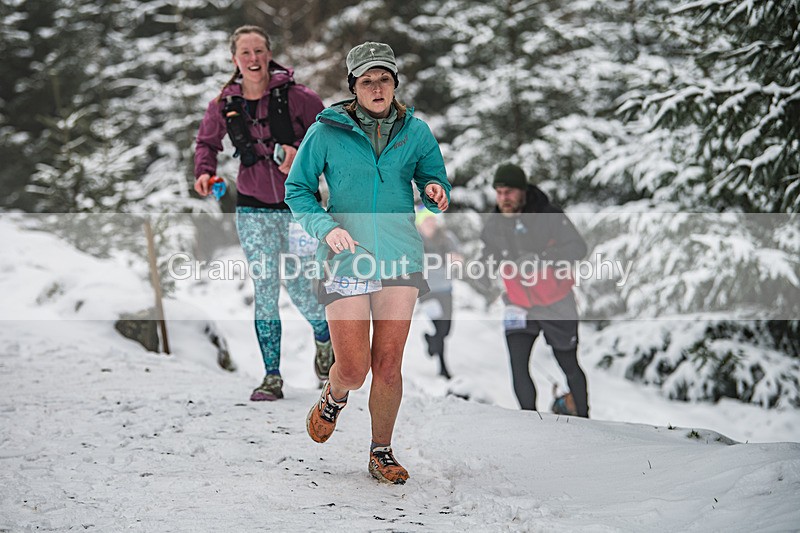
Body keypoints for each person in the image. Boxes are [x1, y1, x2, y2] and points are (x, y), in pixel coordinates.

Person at [285, 41, 450, 484]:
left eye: (383, 79)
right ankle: (334, 395)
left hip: (400, 256)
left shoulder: (415, 131)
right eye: (366, 81)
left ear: (394, 83)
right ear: (353, 88)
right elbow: (297, 190)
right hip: (346, 258)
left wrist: (435, 194)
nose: (376, 87)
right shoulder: (325, 131)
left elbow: (434, 180)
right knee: (355, 368)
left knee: (390, 362)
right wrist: (325, 229)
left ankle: (381, 452)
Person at [194, 25, 333, 402]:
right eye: (245, 53)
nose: (253, 59)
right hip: (253, 207)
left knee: (303, 287)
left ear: (268, 54)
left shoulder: (299, 97)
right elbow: (206, 142)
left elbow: (331, 139)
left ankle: (325, 340)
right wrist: (204, 173)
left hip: (298, 205)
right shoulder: (225, 103)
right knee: (266, 290)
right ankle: (271, 376)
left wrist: (299, 153)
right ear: (234, 59)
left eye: (259, 51)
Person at [480, 163, 590, 417]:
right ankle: (529, 422)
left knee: (569, 364)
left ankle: (585, 419)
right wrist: (484, 267)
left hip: (556, 302)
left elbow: (578, 248)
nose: (503, 198)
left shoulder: (549, 215)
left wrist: (544, 258)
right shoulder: (494, 225)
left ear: (523, 191)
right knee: (518, 366)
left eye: (509, 192)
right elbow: (489, 252)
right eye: (498, 192)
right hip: (518, 303)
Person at [416, 207, 461, 380]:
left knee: (446, 330)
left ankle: (431, 341)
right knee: (439, 327)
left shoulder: (447, 238)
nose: (430, 223)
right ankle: (443, 367)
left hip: (445, 289)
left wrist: (456, 260)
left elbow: (457, 258)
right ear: (420, 223)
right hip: (426, 291)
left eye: (432, 220)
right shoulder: (416, 240)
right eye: (426, 220)